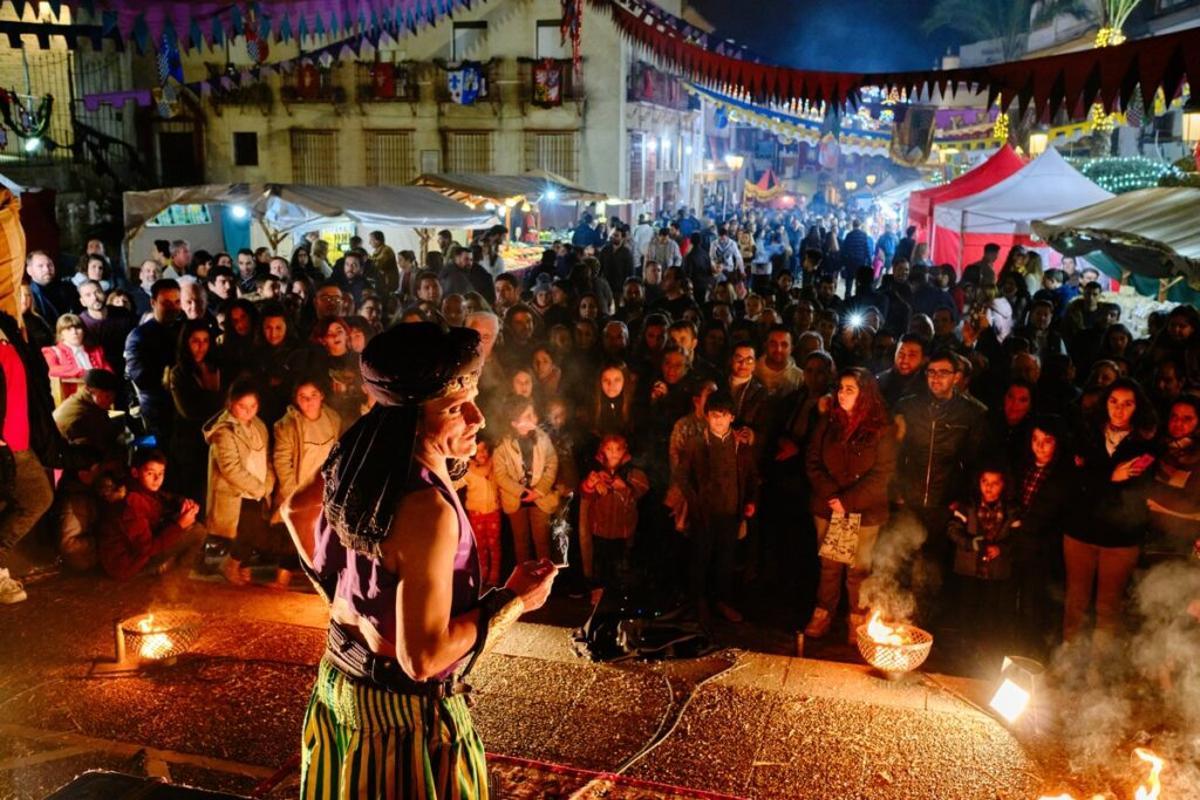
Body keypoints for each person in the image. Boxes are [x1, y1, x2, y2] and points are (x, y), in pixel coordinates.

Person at [280, 322, 556, 799]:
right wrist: (514, 600)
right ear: (410, 417)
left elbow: (296, 510)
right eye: (454, 408)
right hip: (403, 724)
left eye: (472, 398)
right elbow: (422, 659)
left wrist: (349, 595)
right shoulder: (427, 509)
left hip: (339, 684)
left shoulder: (359, 451)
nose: (478, 417)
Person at [803, 368, 896, 643]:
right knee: (829, 565)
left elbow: (882, 473)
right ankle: (823, 613)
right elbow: (812, 461)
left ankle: (857, 616)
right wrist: (833, 497)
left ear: (864, 394)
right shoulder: (828, 422)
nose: (842, 393)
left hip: (864, 511)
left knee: (859, 568)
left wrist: (848, 500)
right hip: (828, 507)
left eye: (850, 389)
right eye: (841, 388)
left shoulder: (881, 429)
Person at [1064, 377, 1157, 650]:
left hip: (1121, 537)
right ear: (1104, 404)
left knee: (1108, 607)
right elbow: (1074, 483)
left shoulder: (1145, 445)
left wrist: (1097, 479)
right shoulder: (1087, 435)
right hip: (1081, 532)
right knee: (1075, 602)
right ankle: (1067, 662)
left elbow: (1136, 491)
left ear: (1137, 408)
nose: (1119, 410)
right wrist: (1110, 477)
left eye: (1127, 404)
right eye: (1113, 402)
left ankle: (1099, 671)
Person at [676, 390, 759, 626]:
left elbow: (752, 478)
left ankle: (722, 601)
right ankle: (698, 601)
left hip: (731, 512)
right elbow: (682, 476)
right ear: (707, 417)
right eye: (714, 415)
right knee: (700, 557)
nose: (719, 420)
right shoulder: (696, 444)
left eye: (723, 415)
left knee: (726, 559)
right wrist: (694, 500)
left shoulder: (740, 446)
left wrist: (750, 502)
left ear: (732, 417)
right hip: (704, 513)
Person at [0, 310, 60, 603]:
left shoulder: (8, 328)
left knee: (35, 497)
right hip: (6, 443)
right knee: (36, 497)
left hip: (18, 437)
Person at [203, 378, 275, 586]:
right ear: (230, 404)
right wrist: (258, 487)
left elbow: (267, 457)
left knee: (255, 533)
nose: (248, 411)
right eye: (242, 406)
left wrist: (267, 484)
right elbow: (230, 468)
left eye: (253, 406)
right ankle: (229, 565)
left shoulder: (259, 426)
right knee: (247, 533)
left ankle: (240, 566)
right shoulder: (224, 431)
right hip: (238, 493)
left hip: (258, 491)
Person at [98, 449, 204, 581]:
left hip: (135, 554)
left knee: (184, 521)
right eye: (150, 473)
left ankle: (167, 564)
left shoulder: (139, 488)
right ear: (135, 472)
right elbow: (146, 549)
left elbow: (165, 497)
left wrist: (183, 503)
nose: (157, 479)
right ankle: (176, 573)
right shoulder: (132, 502)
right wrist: (180, 525)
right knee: (198, 531)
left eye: (161, 473)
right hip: (127, 565)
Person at [946, 467, 1018, 656]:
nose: (989, 487)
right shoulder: (967, 506)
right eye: (985, 482)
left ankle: (984, 652)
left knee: (990, 613)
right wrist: (970, 543)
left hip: (995, 573)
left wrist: (1001, 548)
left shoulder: (1011, 510)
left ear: (1003, 485)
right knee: (966, 610)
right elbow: (952, 530)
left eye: (995, 483)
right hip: (969, 570)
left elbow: (1018, 537)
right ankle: (963, 651)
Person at [579, 434, 649, 602]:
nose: (613, 453)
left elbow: (641, 492)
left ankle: (618, 599)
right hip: (600, 529)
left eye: (618, 449)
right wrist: (591, 484)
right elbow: (584, 493)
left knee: (619, 566)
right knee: (600, 565)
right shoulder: (596, 472)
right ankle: (598, 598)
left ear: (625, 451)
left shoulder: (633, 473)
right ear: (602, 449)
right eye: (609, 449)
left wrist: (625, 488)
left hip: (621, 531)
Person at [493, 396, 560, 563]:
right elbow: (500, 475)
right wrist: (522, 492)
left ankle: (545, 578)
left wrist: (539, 490)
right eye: (528, 416)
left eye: (533, 414)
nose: (535, 418)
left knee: (542, 542)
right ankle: (525, 580)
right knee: (521, 542)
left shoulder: (542, 438)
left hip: (540, 498)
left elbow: (552, 463)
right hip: (516, 501)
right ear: (514, 423)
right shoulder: (502, 445)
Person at [124, 279, 183, 441]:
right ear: (153, 302)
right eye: (166, 302)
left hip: (185, 405)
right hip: (158, 410)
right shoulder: (139, 337)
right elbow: (143, 379)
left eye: (177, 302)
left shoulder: (183, 328)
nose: (173, 308)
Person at [464, 437, 503, 590]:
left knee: (494, 545)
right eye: (478, 450)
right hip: (476, 512)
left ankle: (494, 576)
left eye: (485, 449)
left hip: (493, 511)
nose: (483, 453)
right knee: (480, 546)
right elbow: (456, 483)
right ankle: (482, 574)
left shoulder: (494, 466)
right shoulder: (468, 470)